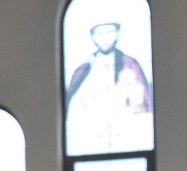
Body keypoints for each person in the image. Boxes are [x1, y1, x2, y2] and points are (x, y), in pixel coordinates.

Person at [64, 20, 153, 154]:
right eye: (99, 33)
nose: (105, 38)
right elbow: (74, 107)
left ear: (117, 34)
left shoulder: (130, 65)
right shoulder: (83, 70)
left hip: (127, 136)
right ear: (92, 36)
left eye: (110, 32)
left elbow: (143, 103)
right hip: (92, 138)